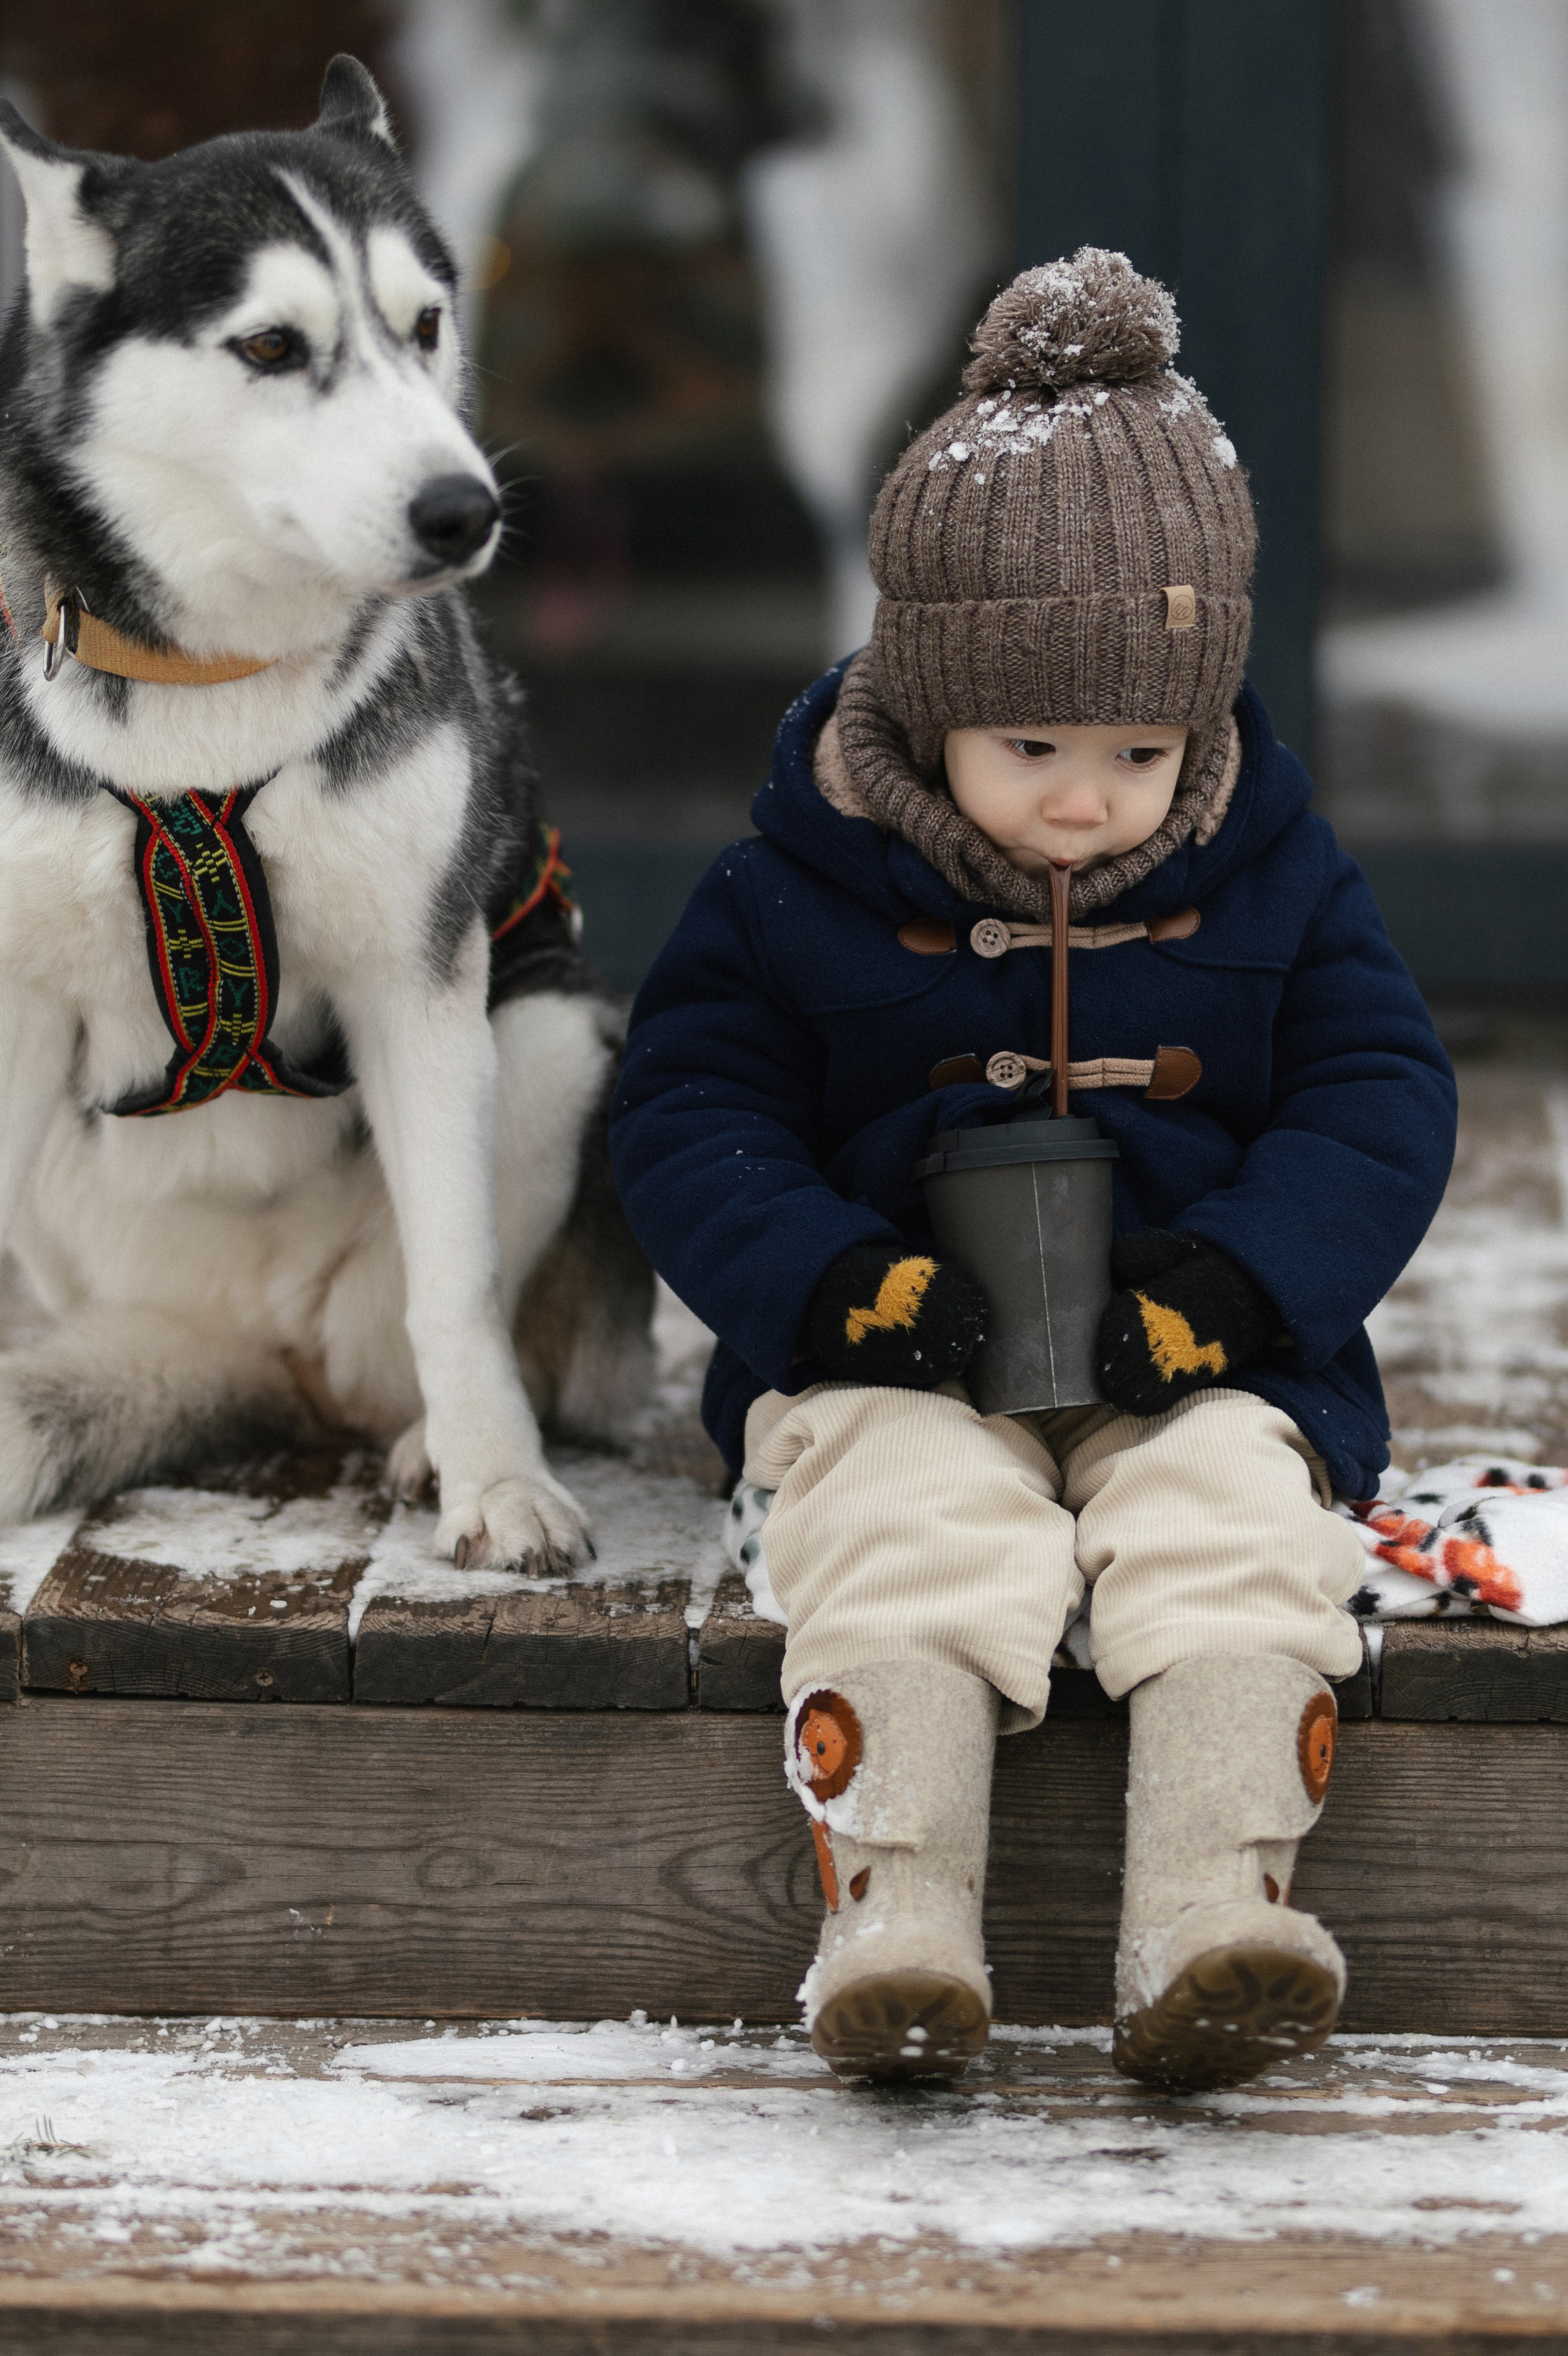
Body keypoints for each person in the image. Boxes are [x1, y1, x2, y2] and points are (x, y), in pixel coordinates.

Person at [609, 250, 1456, 2092]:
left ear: (1207, 724)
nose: (1087, 801)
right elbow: (689, 1112)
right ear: (926, 710)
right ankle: (898, 1926)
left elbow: (1374, 1096)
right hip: (898, 1353)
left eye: (1141, 752)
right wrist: (836, 1286)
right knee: (914, 1528)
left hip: (1199, 1349)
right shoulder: (795, 882)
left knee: (1234, 1525)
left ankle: (1216, 1915)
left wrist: (1238, 1284)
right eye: (1032, 750)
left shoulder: (1278, 871)